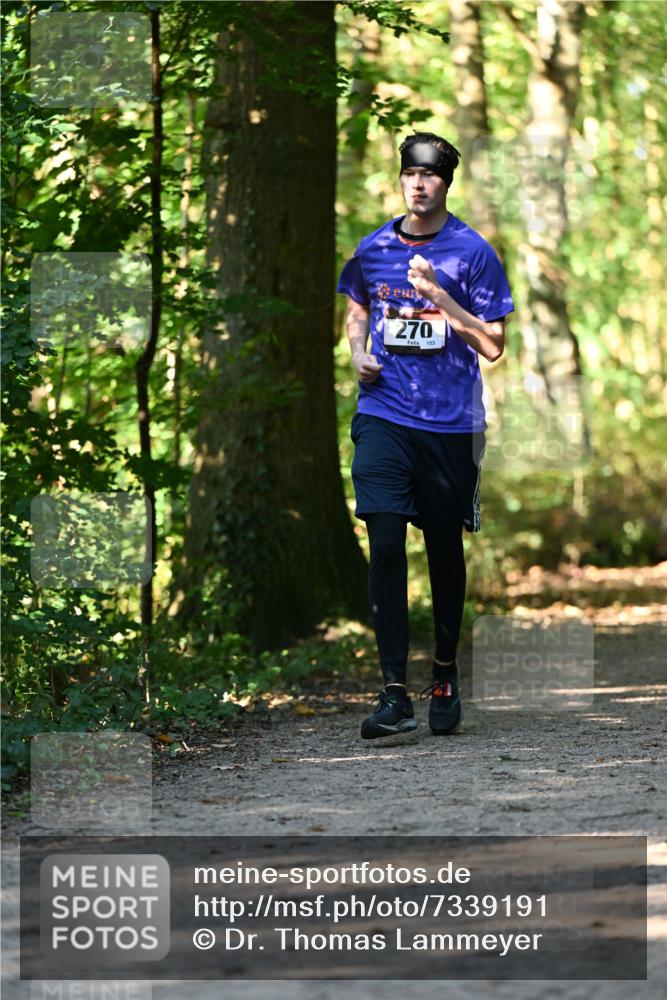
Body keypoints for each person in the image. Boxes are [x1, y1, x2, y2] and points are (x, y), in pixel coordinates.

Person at [337, 131, 514, 740]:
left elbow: (492, 345)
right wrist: (358, 351)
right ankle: (392, 693)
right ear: (401, 178)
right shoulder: (374, 247)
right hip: (384, 413)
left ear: (446, 183)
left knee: (443, 548)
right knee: (385, 539)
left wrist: (441, 297)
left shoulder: (472, 252)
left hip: (449, 426)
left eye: (430, 176)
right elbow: (357, 305)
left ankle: (443, 672)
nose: (418, 183)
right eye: (410, 173)